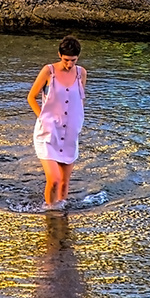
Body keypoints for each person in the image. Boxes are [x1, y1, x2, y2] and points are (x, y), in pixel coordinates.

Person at [27, 36, 87, 209]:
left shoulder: (81, 73)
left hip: (70, 132)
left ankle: (61, 213)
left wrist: (78, 122)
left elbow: (80, 99)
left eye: (73, 60)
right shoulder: (49, 71)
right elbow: (31, 97)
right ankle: (50, 211)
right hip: (48, 132)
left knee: (64, 182)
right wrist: (43, 118)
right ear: (59, 55)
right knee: (54, 179)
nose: (69, 64)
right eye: (66, 60)